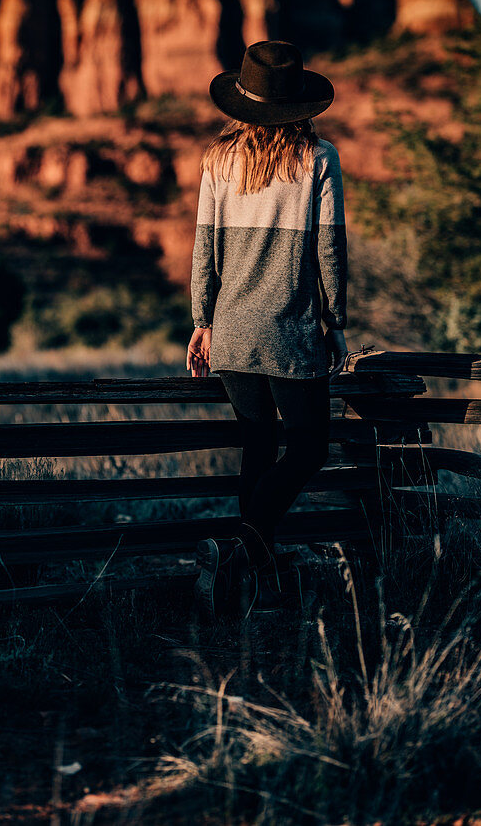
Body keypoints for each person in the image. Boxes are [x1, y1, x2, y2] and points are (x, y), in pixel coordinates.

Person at [187, 40, 349, 620]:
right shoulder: (318, 159)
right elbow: (329, 249)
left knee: (257, 449)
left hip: (231, 331)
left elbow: (203, 249)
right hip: (291, 328)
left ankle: (244, 588)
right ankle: (242, 553)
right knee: (309, 448)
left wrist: (202, 321)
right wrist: (335, 322)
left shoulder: (216, 161)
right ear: (299, 103)